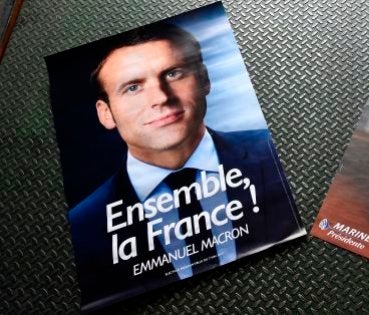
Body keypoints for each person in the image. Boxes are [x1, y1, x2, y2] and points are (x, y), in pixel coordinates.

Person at [67, 22, 304, 311]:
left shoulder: (278, 152)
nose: (161, 98)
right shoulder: (82, 227)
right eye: (132, 87)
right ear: (106, 113)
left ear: (204, 80)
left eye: (173, 73)